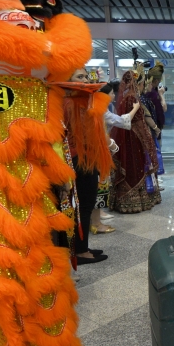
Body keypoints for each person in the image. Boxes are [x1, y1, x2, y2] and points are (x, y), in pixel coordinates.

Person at [62, 68, 114, 264]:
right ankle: (80, 252)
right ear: (68, 80)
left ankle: (82, 247)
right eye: (79, 77)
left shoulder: (81, 102)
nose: (85, 80)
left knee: (85, 204)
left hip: (86, 158)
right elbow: (82, 135)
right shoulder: (70, 104)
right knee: (83, 205)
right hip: (79, 160)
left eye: (86, 76)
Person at [110, 65, 161, 213]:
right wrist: (146, 137)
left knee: (133, 166)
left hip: (130, 136)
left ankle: (127, 199)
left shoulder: (126, 97)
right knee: (136, 166)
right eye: (143, 81)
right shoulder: (132, 97)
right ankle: (135, 200)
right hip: (134, 137)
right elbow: (135, 120)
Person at [93, 81, 138, 233]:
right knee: (100, 182)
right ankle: (96, 220)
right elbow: (121, 121)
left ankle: (98, 215)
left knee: (102, 181)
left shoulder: (103, 109)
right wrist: (135, 109)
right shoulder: (101, 111)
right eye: (112, 93)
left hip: (102, 148)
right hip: (100, 149)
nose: (114, 95)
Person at [143, 63, 166, 185]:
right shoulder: (153, 95)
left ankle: (154, 178)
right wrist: (162, 96)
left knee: (153, 153)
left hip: (153, 128)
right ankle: (154, 178)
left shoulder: (149, 93)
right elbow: (163, 109)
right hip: (153, 128)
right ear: (157, 80)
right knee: (154, 153)